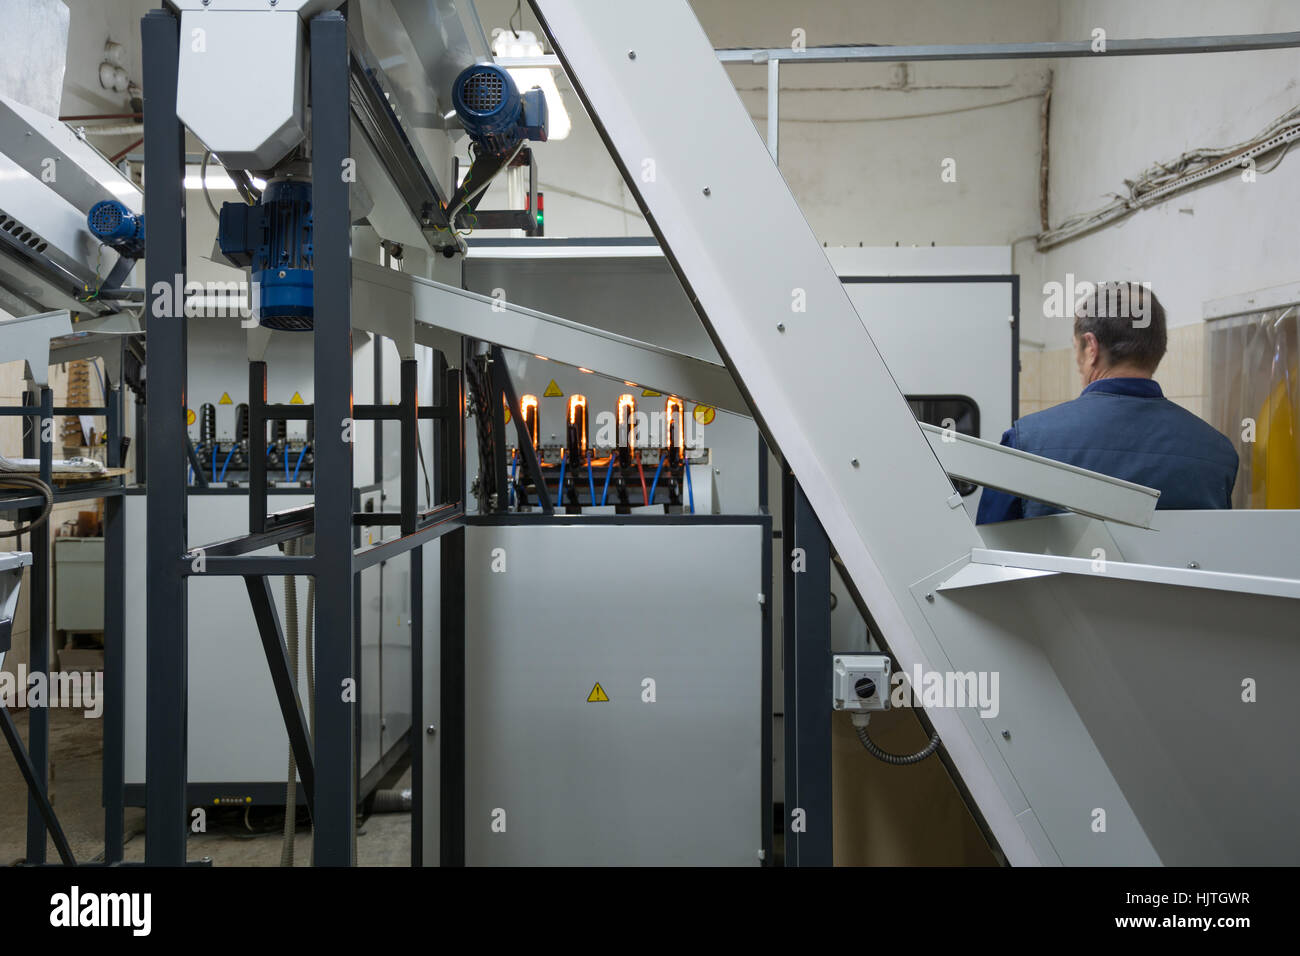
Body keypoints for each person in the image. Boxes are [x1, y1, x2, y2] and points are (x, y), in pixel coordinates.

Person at [976, 281, 1238, 524]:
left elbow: (988, 551)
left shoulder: (1026, 443)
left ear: (1091, 348)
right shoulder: (1218, 453)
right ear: (1158, 349)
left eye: (1075, 347)